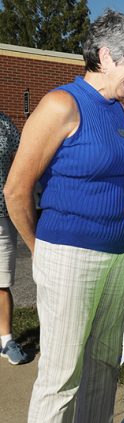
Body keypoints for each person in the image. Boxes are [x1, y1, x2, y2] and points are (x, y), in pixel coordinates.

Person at [3, 10, 124, 423]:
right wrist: (40, 248)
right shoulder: (61, 104)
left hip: (119, 254)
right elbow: (16, 189)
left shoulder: (117, 110)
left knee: (103, 366)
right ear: (106, 56)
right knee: (61, 376)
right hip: (69, 254)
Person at [0, 112, 28, 365]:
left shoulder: (5, 124)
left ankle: (6, 340)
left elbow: (21, 163)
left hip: (2, 215)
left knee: (2, 282)